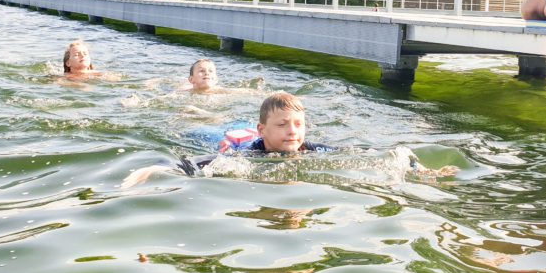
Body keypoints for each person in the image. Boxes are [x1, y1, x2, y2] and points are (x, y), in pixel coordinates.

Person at [120, 92, 456, 188]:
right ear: (264, 130)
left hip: (247, 127)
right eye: (283, 125)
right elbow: (193, 164)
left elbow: (385, 153)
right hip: (228, 137)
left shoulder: (311, 149)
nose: (292, 132)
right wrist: (150, 169)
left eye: (298, 124)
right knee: (202, 124)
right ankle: (192, 111)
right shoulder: (248, 154)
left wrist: (420, 168)